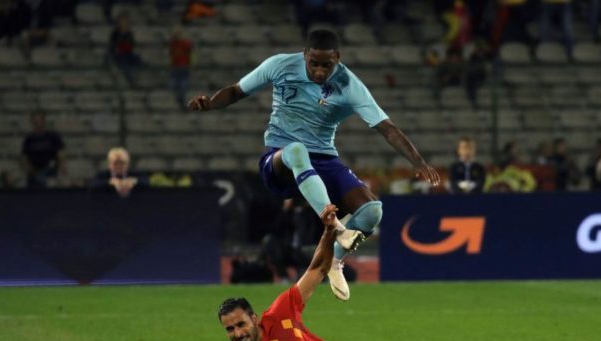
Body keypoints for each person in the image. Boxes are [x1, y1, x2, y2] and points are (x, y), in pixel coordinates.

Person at [216, 204, 564, 341]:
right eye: (230, 329)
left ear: (255, 318)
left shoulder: (281, 313)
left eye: (240, 324)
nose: (237, 333)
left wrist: (328, 232)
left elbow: (318, 269)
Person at [189, 29, 440, 301]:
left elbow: (386, 127)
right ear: (305, 55)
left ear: (337, 58)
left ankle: (333, 260)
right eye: (314, 63)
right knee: (297, 150)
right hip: (280, 158)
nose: (319, 71)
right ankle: (336, 227)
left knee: (372, 212)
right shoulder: (280, 65)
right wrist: (211, 103)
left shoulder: (349, 84)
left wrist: (418, 161)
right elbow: (237, 90)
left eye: (326, 65)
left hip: (323, 159)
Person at [21, 110, 66, 188]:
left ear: (44, 121)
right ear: (32, 122)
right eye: (35, 121)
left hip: (50, 170)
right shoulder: (29, 139)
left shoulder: (53, 136)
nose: (38, 123)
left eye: (40, 120)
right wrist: (29, 169)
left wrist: (62, 167)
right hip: (34, 172)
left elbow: (61, 153)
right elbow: (24, 157)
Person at [169, 27, 193, 110]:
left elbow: (190, 51)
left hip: (183, 66)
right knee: (174, 84)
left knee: (183, 85)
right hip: (175, 67)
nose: (176, 36)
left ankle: (181, 99)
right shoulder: (172, 44)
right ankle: (178, 99)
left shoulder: (185, 43)